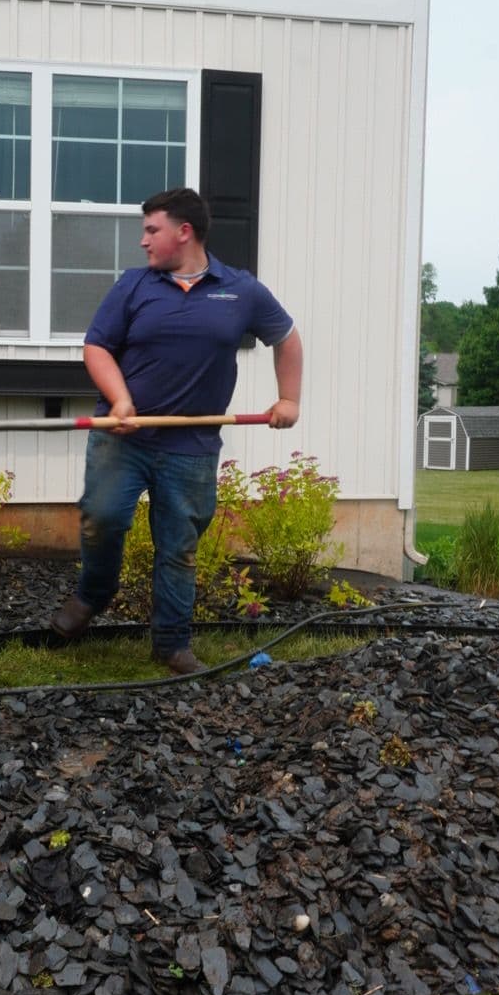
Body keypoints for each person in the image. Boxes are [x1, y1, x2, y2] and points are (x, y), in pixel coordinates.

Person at [50, 187, 302, 674]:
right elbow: (97, 347)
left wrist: (289, 398)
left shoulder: (241, 289)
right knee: (101, 519)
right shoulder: (134, 286)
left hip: (191, 445)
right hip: (123, 438)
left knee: (179, 546)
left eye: (152, 230)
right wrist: (121, 401)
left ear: (183, 232)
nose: (144, 241)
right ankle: (93, 595)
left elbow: (286, 337)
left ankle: (171, 643)